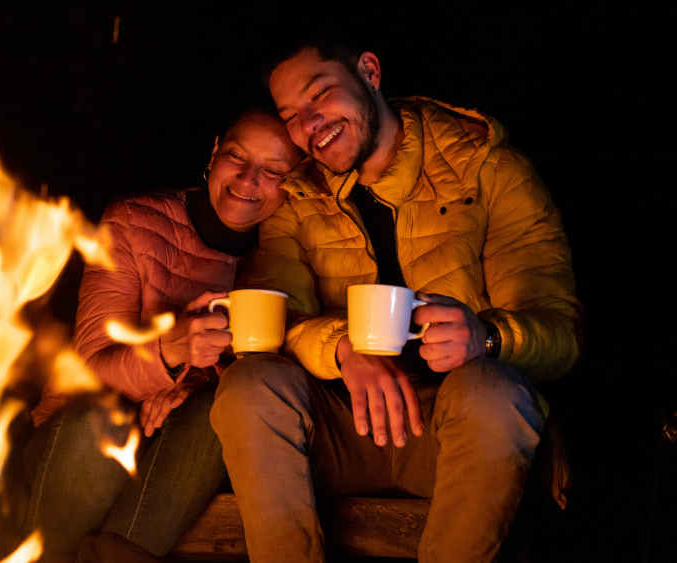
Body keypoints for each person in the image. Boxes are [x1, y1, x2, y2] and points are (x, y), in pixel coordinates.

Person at [210, 40, 582, 563]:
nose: (310, 124)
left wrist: (487, 336)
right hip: (345, 428)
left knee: (493, 394)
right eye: (291, 115)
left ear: (369, 71)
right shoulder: (297, 196)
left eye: (320, 95)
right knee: (249, 387)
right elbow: (281, 318)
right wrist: (342, 349)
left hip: (453, 433)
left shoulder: (488, 169)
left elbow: (562, 335)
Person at [20, 108, 303, 563]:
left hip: (183, 448)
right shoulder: (134, 223)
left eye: (273, 171)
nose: (248, 180)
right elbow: (87, 370)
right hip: (77, 442)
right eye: (236, 157)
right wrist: (169, 354)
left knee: (221, 413)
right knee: (103, 423)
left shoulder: (288, 253)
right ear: (214, 152)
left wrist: (190, 385)